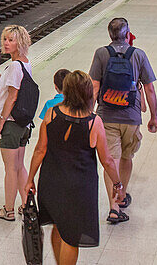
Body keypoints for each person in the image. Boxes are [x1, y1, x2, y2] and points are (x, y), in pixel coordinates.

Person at [25, 70, 124, 264]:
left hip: (51, 181)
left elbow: (39, 150)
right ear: (88, 93)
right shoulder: (94, 122)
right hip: (79, 188)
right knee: (72, 236)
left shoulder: (52, 114)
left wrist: (30, 179)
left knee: (58, 226)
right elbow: (107, 161)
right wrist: (117, 184)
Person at [88, 17, 157, 223]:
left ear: (110, 35)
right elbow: (149, 88)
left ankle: (114, 207)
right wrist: (154, 117)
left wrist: (89, 116)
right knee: (126, 158)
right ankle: (122, 194)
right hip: (131, 115)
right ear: (128, 35)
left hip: (106, 116)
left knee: (111, 161)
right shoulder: (138, 54)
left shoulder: (101, 53)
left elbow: (94, 87)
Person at [0, 24, 33, 222]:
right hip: (23, 124)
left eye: (11, 40)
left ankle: (8, 210)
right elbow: (2, 87)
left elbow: (12, 97)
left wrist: (1, 121)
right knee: (19, 166)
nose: (6, 43)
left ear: (20, 42)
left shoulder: (15, 66)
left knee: (10, 169)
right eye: (5, 39)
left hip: (12, 124)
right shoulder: (23, 63)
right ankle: (25, 205)